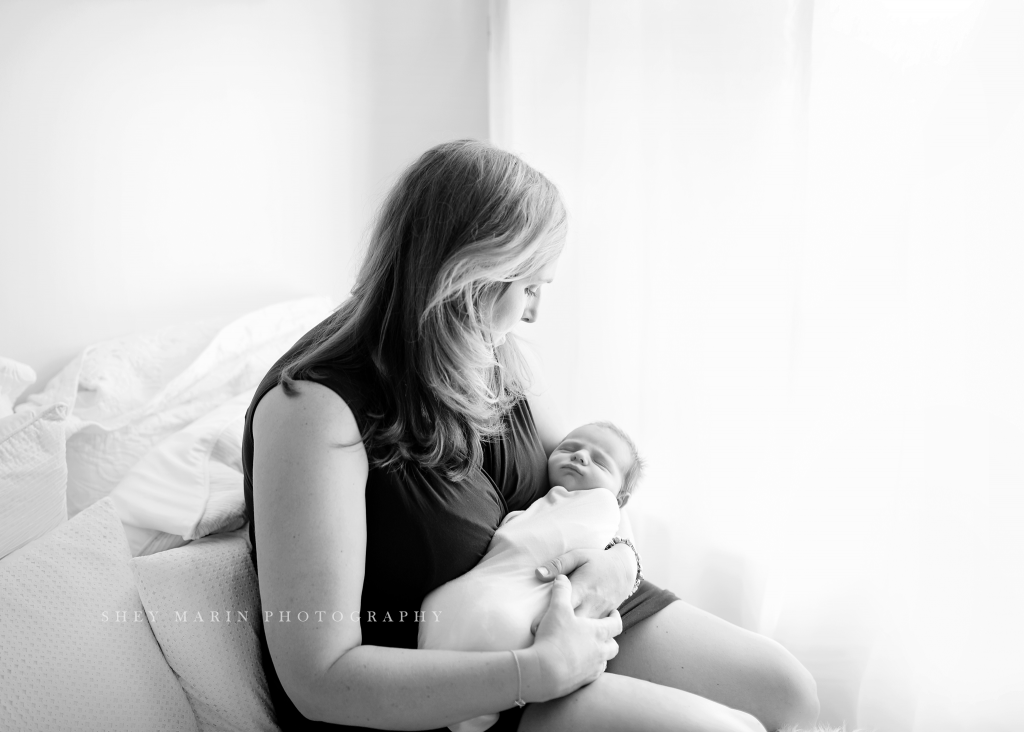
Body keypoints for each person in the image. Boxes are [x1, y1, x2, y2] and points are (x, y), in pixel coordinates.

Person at [242, 140, 819, 732]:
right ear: (467, 278)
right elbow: (320, 677)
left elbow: (594, 488)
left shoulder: (494, 351)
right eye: (530, 287)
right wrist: (534, 671)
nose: (535, 313)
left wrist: (615, 566)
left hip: (555, 610)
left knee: (787, 691)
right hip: (453, 677)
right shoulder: (312, 411)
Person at [418, 421, 662, 732]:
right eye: (568, 449)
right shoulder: (543, 504)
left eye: (599, 461)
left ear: (621, 499)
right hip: (483, 596)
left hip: (554, 605)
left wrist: (626, 559)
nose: (580, 456)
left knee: (500, 622)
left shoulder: (601, 506)